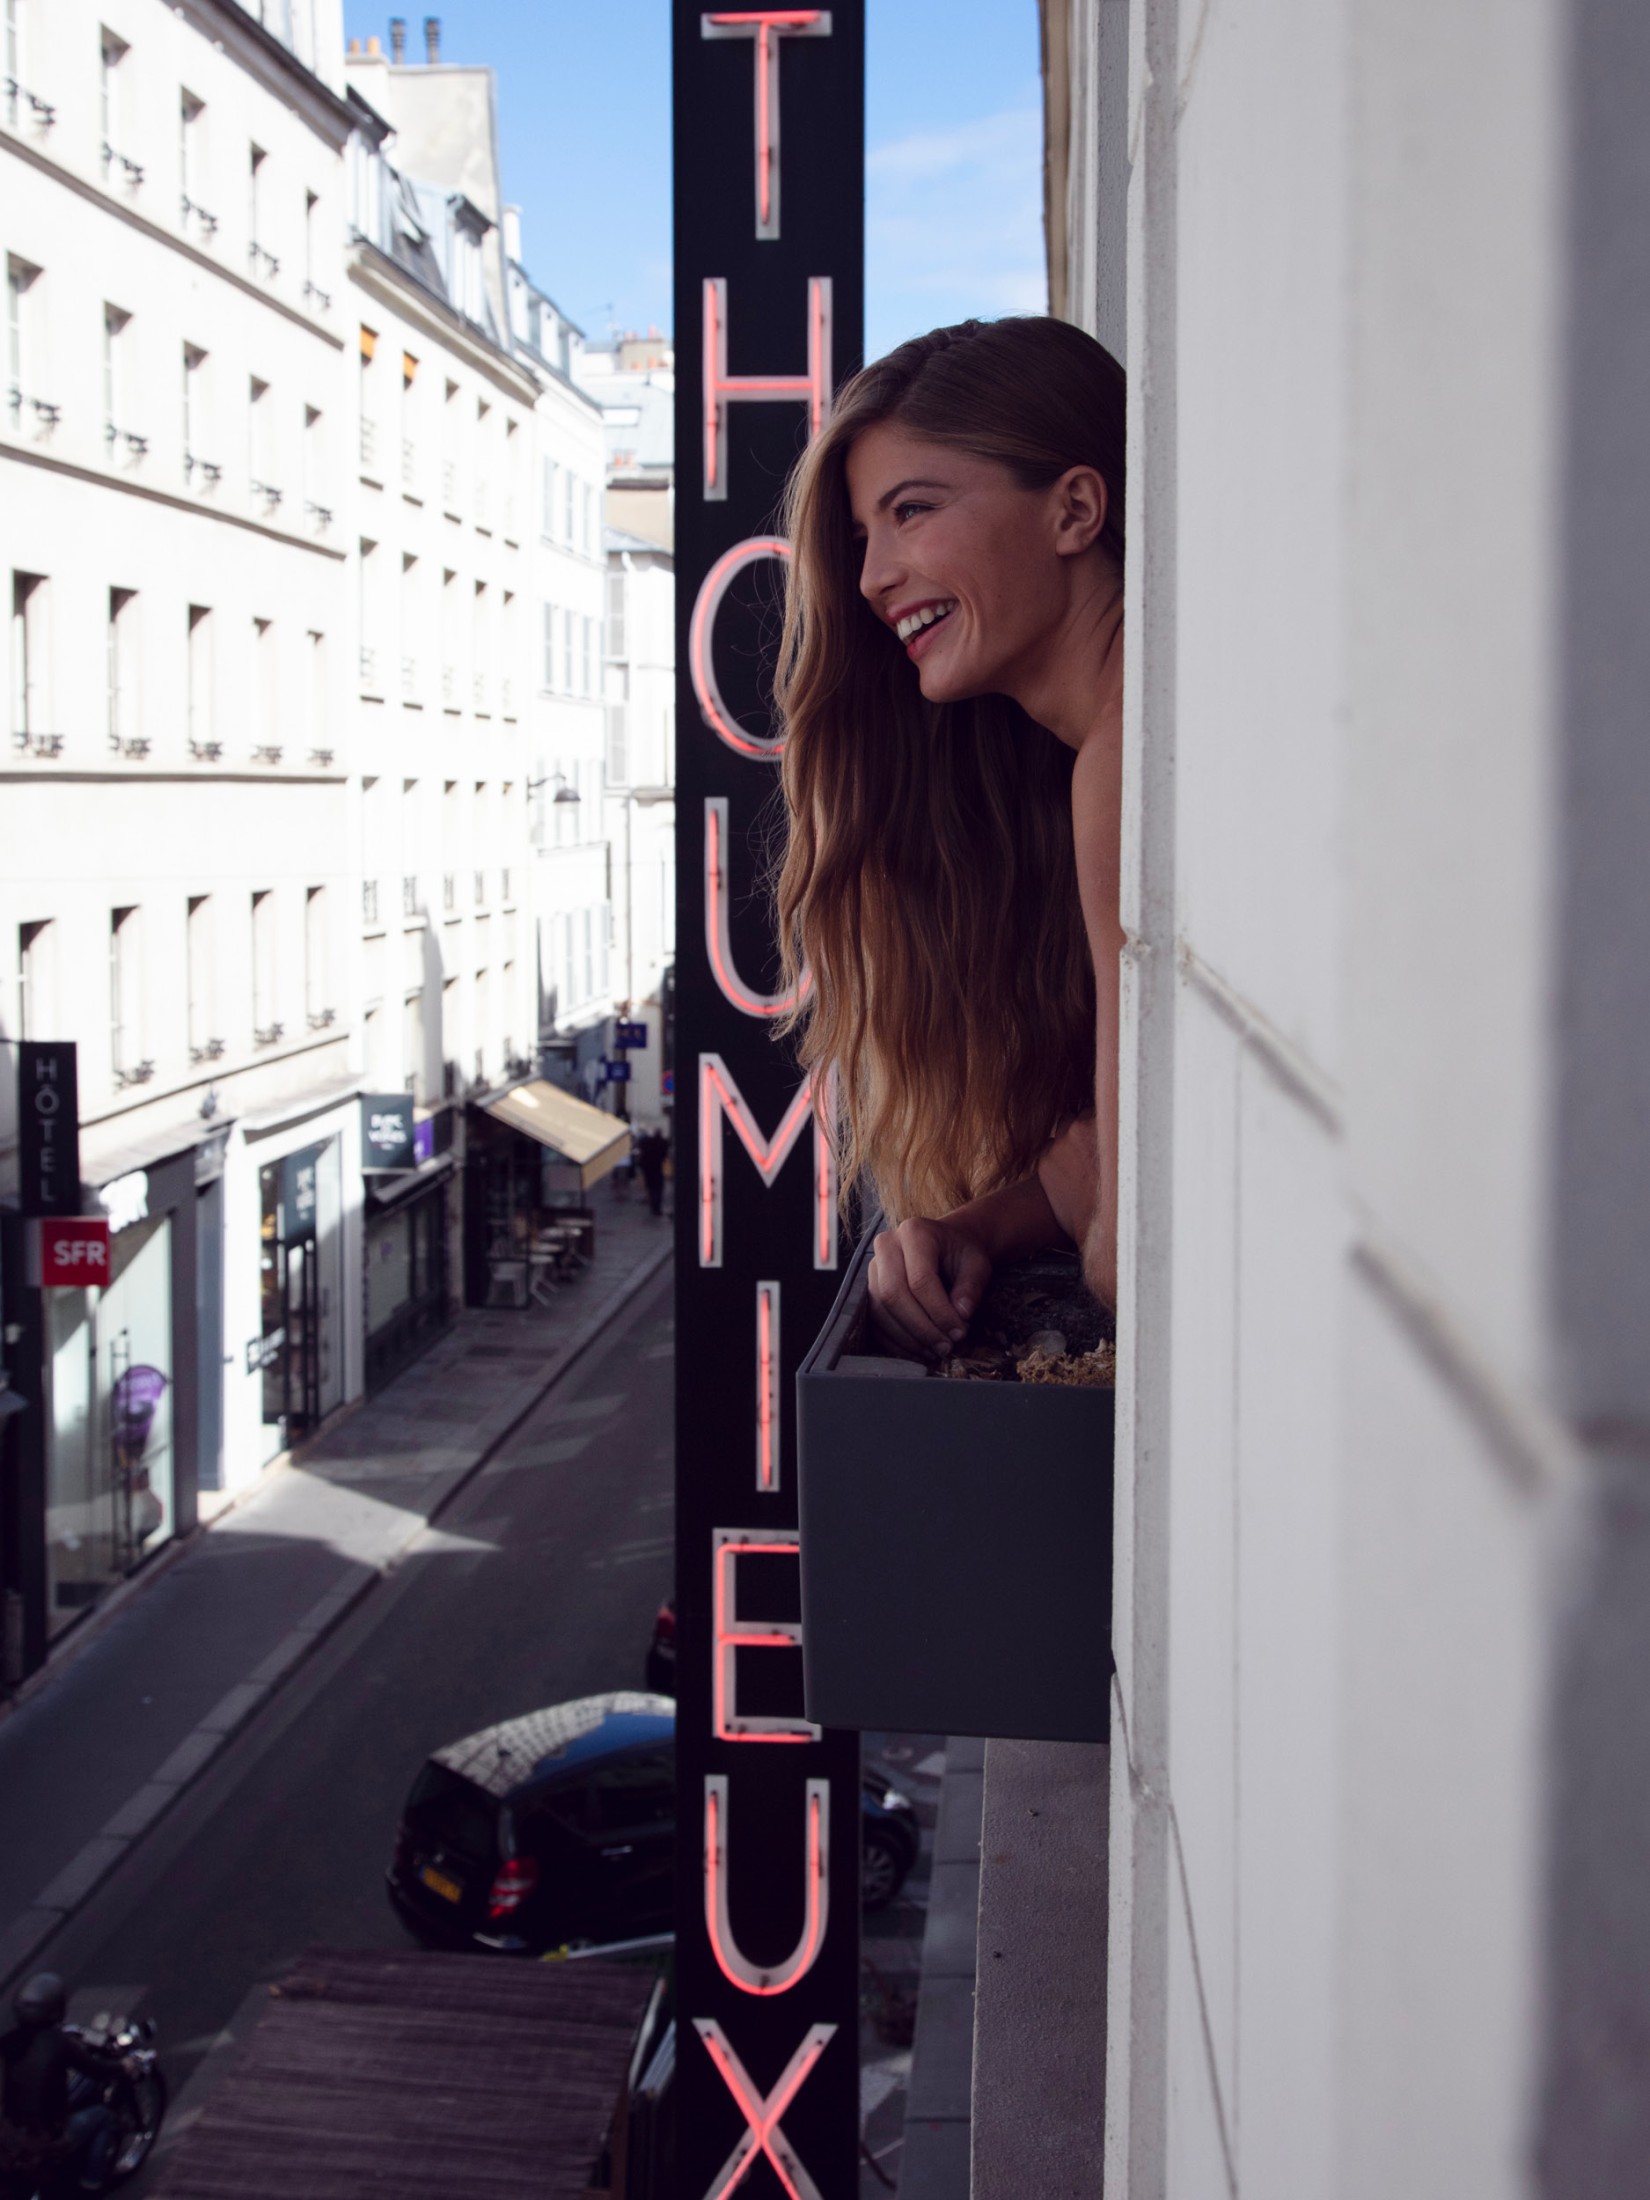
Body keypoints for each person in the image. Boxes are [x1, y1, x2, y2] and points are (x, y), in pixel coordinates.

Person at [773, 316, 1125, 1357]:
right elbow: (1130, 1140)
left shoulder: (1126, 761)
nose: (876, 575)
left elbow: (1128, 1236)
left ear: (1073, 508)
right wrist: (980, 1224)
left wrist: (1101, 1250)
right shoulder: (1102, 749)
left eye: (912, 511)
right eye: (863, 537)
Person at [0, 1972, 117, 2192]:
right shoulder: (59, 2044)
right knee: (103, 2117)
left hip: (9, 2140)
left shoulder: (9, 2041)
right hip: (45, 2143)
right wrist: (124, 2066)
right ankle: (91, 2185)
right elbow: (97, 2070)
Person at [635, 1128, 669, 1218]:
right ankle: (656, 1207)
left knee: (651, 1187)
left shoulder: (647, 1143)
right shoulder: (662, 1143)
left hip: (648, 1168)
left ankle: (654, 1206)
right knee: (658, 1188)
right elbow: (664, 1154)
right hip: (657, 1168)